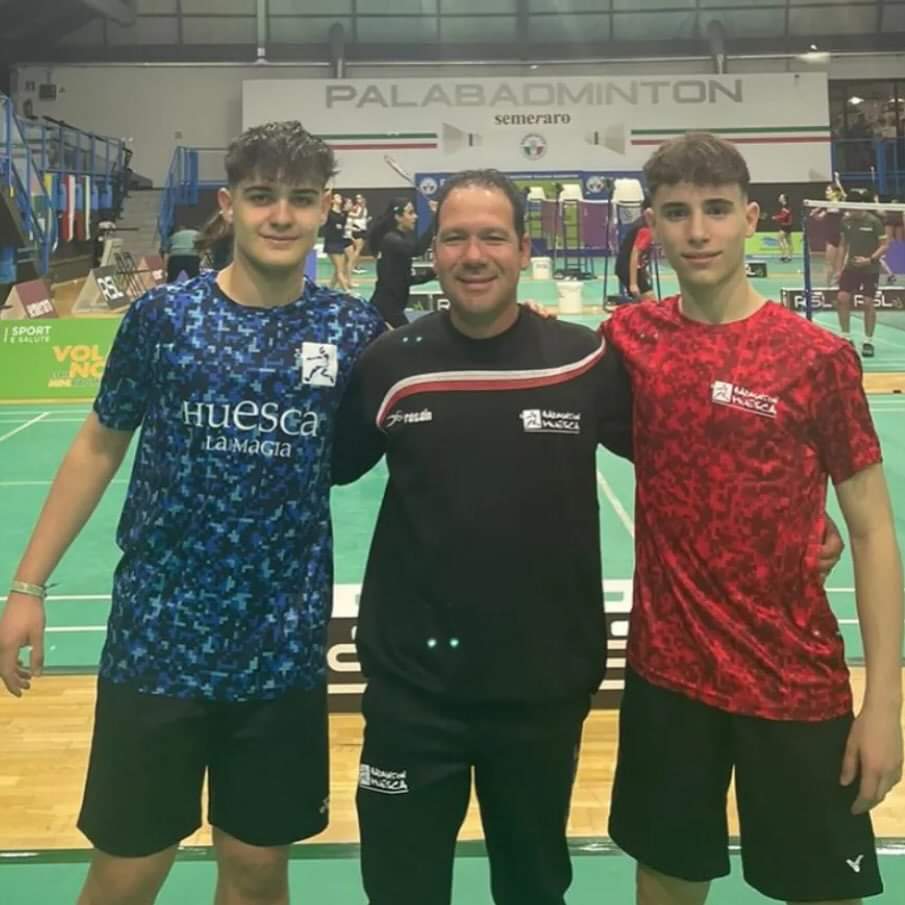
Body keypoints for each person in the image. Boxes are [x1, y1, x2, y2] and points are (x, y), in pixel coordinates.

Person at [0, 121, 385, 905]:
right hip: (157, 642)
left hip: (280, 654)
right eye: (262, 196)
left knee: (254, 870)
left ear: (322, 212)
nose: (281, 215)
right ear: (229, 205)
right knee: (128, 869)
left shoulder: (352, 333)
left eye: (300, 199)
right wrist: (28, 587)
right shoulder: (164, 318)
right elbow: (98, 445)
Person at [602, 132, 903, 905]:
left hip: (793, 679)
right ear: (653, 228)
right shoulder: (628, 341)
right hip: (668, 676)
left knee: (818, 892)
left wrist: (883, 707)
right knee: (664, 883)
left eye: (714, 210)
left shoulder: (816, 357)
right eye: (676, 213)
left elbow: (869, 531)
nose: (696, 231)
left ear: (748, 219)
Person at [333, 169, 635, 905]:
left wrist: (802, 515)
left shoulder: (585, 360)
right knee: (401, 890)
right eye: (456, 237)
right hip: (411, 693)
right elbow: (318, 471)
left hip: (541, 691)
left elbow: (684, 457)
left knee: (532, 889)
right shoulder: (389, 363)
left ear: (523, 249)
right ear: (433, 252)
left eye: (492, 236)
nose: (474, 254)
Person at [835, 187, 889, 358]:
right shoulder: (846, 221)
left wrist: (869, 260)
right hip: (851, 268)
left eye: (853, 207)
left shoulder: (874, 221)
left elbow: (885, 245)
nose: (851, 211)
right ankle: (845, 337)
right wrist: (838, 268)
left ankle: (868, 340)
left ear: (861, 205)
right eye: (849, 208)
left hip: (870, 269)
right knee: (842, 299)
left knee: (867, 303)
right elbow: (843, 245)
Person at [367, 197, 437, 328]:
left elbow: (405, 280)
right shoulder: (392, 241)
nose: (415, 217)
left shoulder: (396, 239)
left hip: (390, 306)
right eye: (410, 213)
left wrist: (432, 272)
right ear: (398, 217)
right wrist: (435, 217)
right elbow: (418, 249)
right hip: (386, 307)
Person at [614, 203, 656, 301]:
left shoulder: (642, 225)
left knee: (643, 303)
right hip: (627, 269)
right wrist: (633, 283)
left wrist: (643, 271)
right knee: (651, 302)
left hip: (627, 268)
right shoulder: (645, 230)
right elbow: (634, 253)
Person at [810, 182, 846, 286]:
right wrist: (814, 213)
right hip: (832, 236)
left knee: (837, 266)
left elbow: (843, 195)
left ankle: (832, 286)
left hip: (840, 237)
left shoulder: (842, 204)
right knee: (831, 264)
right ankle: (829, 286)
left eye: (828, 190)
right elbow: (819, 218)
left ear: (835, 192)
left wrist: (838, 182)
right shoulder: (827, 206)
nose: (826, 192)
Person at [323, 191, 352, 291]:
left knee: (339, 270)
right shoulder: (329, 213)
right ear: (333, 201)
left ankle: (329, 289)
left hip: (340, 243)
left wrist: (347, 211)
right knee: (340, 270)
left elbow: (342, 227)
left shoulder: (342, 214)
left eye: (340, 196)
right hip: (331, 243)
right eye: (337, 197)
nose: (339, 198)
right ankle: (348, 292)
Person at [771, 193, 793, 262]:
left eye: (780, 197)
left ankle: (784, 255)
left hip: (785, 225)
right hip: (787, 225)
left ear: (784, 199)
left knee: (779, 239)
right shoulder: (785, 206)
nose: (779, 198)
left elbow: (784, 216)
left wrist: (775, 217)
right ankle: (789, 257)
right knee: (789, 241)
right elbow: (783, 215)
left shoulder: (786, 206)